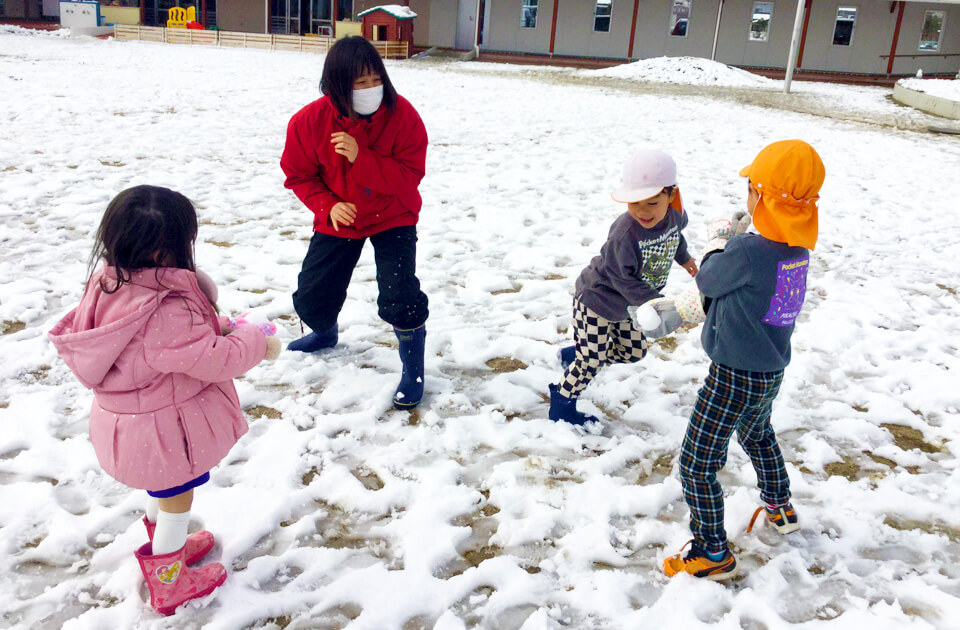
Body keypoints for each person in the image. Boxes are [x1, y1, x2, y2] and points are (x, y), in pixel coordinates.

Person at [48, 185, 282, 615]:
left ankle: (165, 547)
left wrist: (216, 323)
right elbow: (216, 359)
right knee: (177, 499)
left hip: (135, 426)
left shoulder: (110, 281)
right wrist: (252, 338)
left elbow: (167, 346)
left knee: (166, 492)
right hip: (164, 433)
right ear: (162, 251)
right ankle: (169, 582)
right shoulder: (164, 308)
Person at [645, 139, 825, 580]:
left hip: (731, 377)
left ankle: (711, 551)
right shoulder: (795, 253)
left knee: (696, 463)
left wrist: (720, 239)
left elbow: (708, 278)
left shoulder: (746, 252)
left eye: (750, 188)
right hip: (770, 371)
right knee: (758, 433)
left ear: (761, 197)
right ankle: (780, 505)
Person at [281, 36, 429, 410]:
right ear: (336, 86)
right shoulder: (308, 122)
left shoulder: (404, 116)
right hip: (340, 218)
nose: (370, 89)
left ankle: (413, 371)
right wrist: (326, 205)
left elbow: (408, 176)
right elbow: (298, 175)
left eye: (375, 79)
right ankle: (324, 332)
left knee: (401, 293)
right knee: (314, 293)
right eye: (359, 83)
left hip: (392, 214)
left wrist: (361, 156)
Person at [549, 148, 697, 424]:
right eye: (634, 203)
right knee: (590, 363)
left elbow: (675, 237)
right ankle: (561, 405)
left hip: (629, 305)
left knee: (633, 352)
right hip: (596, 301)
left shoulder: (675, 216)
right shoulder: (625, 234)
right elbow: (623, 280)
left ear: (671, 196)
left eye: (652, 203)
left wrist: (685, 258)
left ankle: (576, 354)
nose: (642, 211)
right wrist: (663, 307)